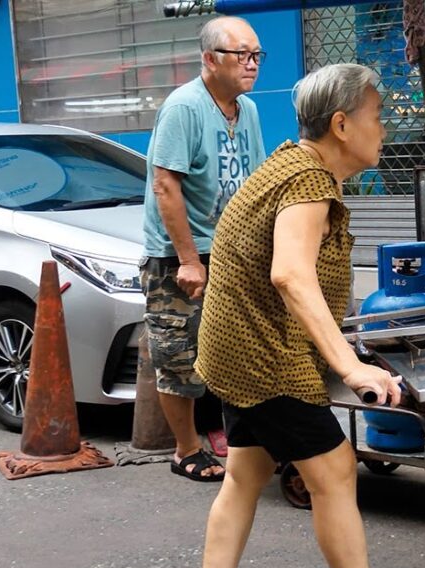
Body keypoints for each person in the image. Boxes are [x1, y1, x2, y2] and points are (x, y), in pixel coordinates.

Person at [179, 63, 425, 568]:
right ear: (342, 125)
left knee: (246, 473)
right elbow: (291, 274)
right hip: (265, 357)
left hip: (237, 350)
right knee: (336, 468)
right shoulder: (308, 182)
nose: (385, 129)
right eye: (377, 116)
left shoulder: (294, 166)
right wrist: (350, 365)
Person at [141, 16, 267, 481]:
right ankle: (186, 450)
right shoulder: (184, 107)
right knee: (178, 354)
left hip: (232, 251)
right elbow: (165, 185)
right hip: (179, 255)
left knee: (238, 350)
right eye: (242, 54)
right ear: (210, 59)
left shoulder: (247, 110)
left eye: (257, 55)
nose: (252, 64)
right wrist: (190, 260)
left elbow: (254, 183)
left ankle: (243, 442)